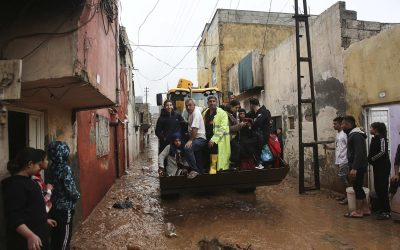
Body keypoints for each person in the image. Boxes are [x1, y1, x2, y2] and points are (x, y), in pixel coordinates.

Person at [2, 147, 56, 250]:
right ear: (30, 164)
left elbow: (31, 207)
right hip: (28, 242)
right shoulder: (15, 186)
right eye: (38, 164)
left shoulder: (30, 181)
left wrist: (43, 219)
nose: (40, 167)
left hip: (38, 236)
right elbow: (14, 216)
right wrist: (30, 235)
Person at [48, 141, 80, 250]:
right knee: (64, 237)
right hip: (65, 208)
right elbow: (70, 189)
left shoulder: (51, 167)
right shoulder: (65, 168)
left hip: (53, 206)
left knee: (55, 236)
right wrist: (76, 196)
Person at [342, 116, 370, 218]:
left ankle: (359, 211)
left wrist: (354, 168)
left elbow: (359, 153)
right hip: (357, 166)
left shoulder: (356, 135)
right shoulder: (354, 134)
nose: (342, 126)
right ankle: (366, 208)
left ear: (348, 124)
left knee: (357, 187)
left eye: (343, 124)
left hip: (357, 166)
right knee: (358, 187)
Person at [323, 116, 350, 205]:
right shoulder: (338, 134)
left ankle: (348, 198)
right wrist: (328, 147)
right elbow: (338, 147)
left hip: (344, 160)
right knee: (342, 179)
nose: (334, 126)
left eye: (335, 124)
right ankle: (345, 195)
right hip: (339, 160)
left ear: (340, 124)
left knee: (344, 179)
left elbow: (348, 147)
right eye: (333, 124)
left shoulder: (344, 134)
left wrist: (347, 158)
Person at [368, 122, 391, 220]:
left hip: (383, 167)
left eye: (371, 128)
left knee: (382, 188)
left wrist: (372, 159)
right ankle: (381, 208)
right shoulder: (374, 139)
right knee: (377, 187)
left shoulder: (382, 139)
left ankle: (387, 212)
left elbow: (382, 152)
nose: (370, 129)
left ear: (376, 129)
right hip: (377, 167)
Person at [202, 95, 231, 174]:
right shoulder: (205, 112)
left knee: (214, 154)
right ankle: (208, 171)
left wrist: (213, 139)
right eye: (210, 101)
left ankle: (213, 172)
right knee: (207, 155)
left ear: (216, 102)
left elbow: (222, 127)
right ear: (207, 103)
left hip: (217, 140)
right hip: (206, 137)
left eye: (214, 101)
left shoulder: (222, 113)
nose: (212, 103)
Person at [184, 98, 207, 177]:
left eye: (190, 105)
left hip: (200, 139)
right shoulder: (192, 111)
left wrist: (190, 140)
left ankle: (194, 170)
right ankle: (200, 172)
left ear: (194, 105)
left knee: (188, 148)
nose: (188, 107)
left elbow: (195, 128)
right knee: (197, 155)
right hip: (196, 138)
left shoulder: (196, 113)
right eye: (186, 106)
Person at [247, 98, 272, 168]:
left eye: (250, 105)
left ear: (251, 105)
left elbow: (258, 123)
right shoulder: (258, 112)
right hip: (260, 137)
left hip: (262, 137)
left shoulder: (262, 112)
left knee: (253, 148)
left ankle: (261, 164)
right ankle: (261, 164)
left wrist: (251, 125)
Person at [226, 100, 246, 170]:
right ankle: (232, 165)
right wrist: (240, 125)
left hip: (235, 138)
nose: (237, 110)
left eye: (238, 108)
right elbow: (228, 128)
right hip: (229, 138)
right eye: (236, 108)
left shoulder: (233, 114)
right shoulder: (226, 115)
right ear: (231, 107)